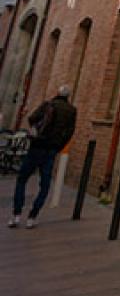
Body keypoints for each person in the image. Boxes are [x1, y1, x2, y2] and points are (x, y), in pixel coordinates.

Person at [8, 85, 77, 229]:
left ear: (57, 93)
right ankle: (32, 217)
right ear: (68, 96)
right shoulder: (71, 110)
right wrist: (58, 148)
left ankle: (16, 215)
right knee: (44, 185)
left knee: (22, 180)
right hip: (51, 150)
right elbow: (70, 132)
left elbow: (32, 118)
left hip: (37, 147)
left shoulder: (48, 105)